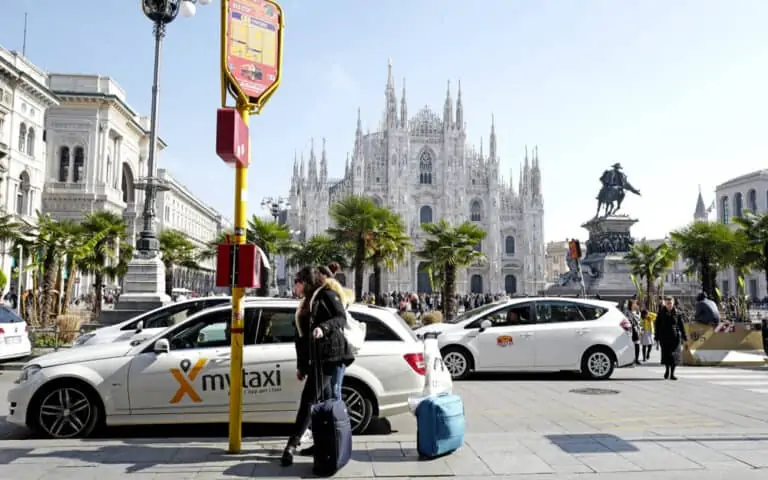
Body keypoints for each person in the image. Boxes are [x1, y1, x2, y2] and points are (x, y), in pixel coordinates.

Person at [281, 266, 354, 467]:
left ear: (305, 282)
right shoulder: (305, 302)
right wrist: (301, 366)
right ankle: (324, 442)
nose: (294, 286)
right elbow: (301, 339)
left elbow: (341, 318)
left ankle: (291, 445)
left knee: (309, 399)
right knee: (323, 402)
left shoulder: (326, 295)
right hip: (315, 358)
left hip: (331, 355)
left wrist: (324, 327)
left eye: (297, 282)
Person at [316, 263, 353, 400]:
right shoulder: (325, 296)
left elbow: (340, 318)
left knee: (334, 390)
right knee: (329, 391)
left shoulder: (332, 296)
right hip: (329, 351)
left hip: (336, 350)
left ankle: (338, 420)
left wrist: (323, 328)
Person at [654, 296, 687, 380]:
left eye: (670, 303)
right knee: (666, 355)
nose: (669, 305)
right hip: (664, 337)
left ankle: (672, 373)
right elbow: (657, 325)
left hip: (675, 337)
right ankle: (667, 370)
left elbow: (681, 325)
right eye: (667, 303)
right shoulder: (661, 313)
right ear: (665, 303)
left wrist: (684, 336)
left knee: (674, 356)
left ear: (673, 303)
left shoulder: (678, 313)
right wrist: (656, 336)